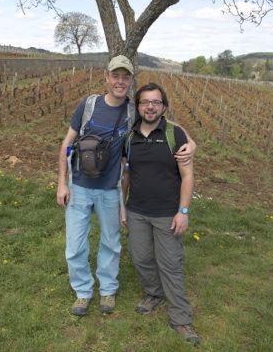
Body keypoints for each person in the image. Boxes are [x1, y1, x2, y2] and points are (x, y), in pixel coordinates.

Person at [57, 56, 195, 316]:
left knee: (111, 242)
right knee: (75, 245)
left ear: (131, 81)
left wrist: (192, 143)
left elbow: (169, 126)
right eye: (115, 76)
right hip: (79, 187)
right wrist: (62, 183)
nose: (120, 81)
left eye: (126, 77)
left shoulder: (134, 110)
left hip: (110, 189)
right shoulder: (88, 105)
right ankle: (83, 291)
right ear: (107, 77)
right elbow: (66, 143)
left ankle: (107, 290)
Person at [120, 83, 199, 345]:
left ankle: (181, 318)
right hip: (137, 211)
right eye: (144, 102)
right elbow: (126, 174)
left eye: (155, 102)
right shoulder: (130, 136)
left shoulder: (175, 134)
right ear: (138, 106)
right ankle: (154, 293)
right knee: (141, 258)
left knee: (170, 265)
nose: (150, 106)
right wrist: (123, 206)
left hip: (167, 213)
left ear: (163, 106)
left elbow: (187, 177)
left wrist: (183, 211)